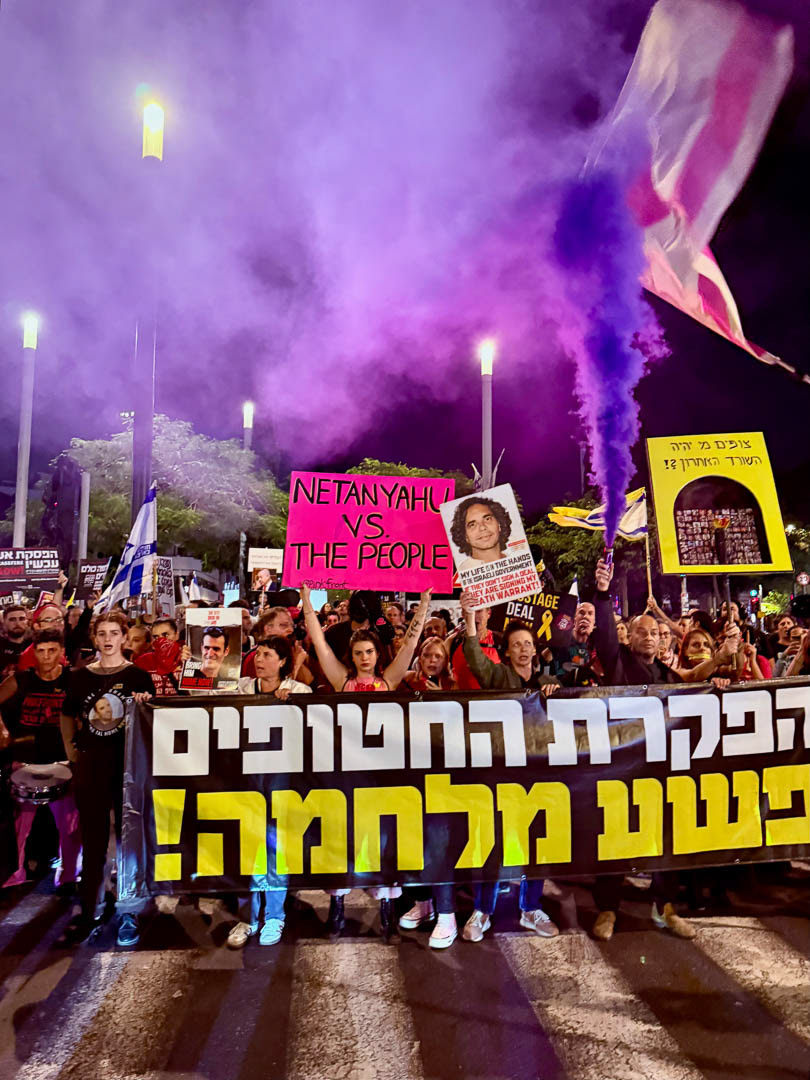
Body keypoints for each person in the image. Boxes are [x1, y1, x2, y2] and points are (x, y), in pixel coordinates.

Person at [425, 592, 561, 949]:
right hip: (499, 779)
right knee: (492, 844)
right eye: (516, 644)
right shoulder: (499, 676)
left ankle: (531, 908)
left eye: (527, 644)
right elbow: (474, 657)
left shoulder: (548, 682)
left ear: (535, 649)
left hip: (537, 780)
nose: (522, 649)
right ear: (507, 651)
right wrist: (470, 616)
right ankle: (482, 911)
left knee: (536, 846)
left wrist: (556, 691)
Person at [301, 584, 432, 940]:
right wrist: (307, 602)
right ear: (352, 655)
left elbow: (410, 645)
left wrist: (423, 603)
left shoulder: (387, 682)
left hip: (380, 775)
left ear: (377, 654)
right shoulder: (341, 682)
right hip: (345, 775)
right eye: (358, 652)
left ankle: (387, 904)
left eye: (369, 652)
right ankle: (338, 904)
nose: (364, 657)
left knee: (383, 839)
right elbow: (319, 642)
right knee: (340, 839)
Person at [590, 557, 694, 942]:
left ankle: (665, 907)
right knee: (616, 838)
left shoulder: (669, 677)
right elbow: (604, 634)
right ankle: (607, 908)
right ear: (629, 638)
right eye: (641, 632)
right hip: (620, 770)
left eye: (655, 633)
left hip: (660, 772)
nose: (649, 637)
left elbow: (697, 696)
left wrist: (719, 680)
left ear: (662, 640)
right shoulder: (617, 663)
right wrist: (603, 593)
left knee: (666, 838)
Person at [60, 610, 155, 946]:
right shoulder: (80, 677)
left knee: (130, 842)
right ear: (94, 638)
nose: (108, 639)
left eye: (115, 632)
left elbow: (152, 719)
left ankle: (129, 912)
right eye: (102, 633)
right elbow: (67, 715)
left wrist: (145, 703)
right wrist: (72, 753)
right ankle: (90, 910)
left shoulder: (139, 676)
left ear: (124, 637)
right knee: (94, 841)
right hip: (92, 766)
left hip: (128, 768)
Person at [226, 636, 313, 949]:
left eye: (267, 655)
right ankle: (248, 917)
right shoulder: (241, 687)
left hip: (280, 780)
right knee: (247, 848)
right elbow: (204, 699)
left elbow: (312, 721)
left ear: (282, 661)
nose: (259, 660)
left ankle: (274, 916)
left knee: (276, 847)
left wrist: (293, 703)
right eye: (258, 654)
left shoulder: (298, 691)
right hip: (246, 780)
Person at [0, 629, 81, 891]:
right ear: (33, 652)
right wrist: (1, 727)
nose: (46, 656)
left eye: (52, 650)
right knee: (19, 826)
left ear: (62, 653)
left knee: (69, 824)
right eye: (41, 650)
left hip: (63, 760)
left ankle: (68, 875)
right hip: (26, 761)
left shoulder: (74, 679)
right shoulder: (21, 679)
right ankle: (15, 872)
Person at [241, 607, 313, 685]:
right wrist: (296, 664)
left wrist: (297, 659)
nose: (291, 630)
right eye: (284, 625)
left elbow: (308, 682)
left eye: (292, 626)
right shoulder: (257, 657)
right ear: (268, 629)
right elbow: (271, 689)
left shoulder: (289, 652)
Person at [446, 605, 501, 690]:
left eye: (478, 611)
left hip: (492, 698)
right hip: (461, 697)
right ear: (463, 614)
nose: (474, 616)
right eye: (470, 611)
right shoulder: (452, 641)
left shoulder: (500, 641)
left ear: (488, 613)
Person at [450, 497, 512, 570]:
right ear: (465, 536)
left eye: (487, 519)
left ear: (499, 524)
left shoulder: (516, 561)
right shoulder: (461, 573)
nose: (482, 527)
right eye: (472, 525)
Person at [134, 618, 184, 696]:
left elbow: (195, 694)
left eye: (166, 635)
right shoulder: (142, 661)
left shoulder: (187, 659)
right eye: (156, 637)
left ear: (176, 635)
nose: (161, 640)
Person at [0, 605, 32, 678]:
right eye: (12, 619)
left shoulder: (35, 644)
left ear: (27, 621)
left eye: (22, 619)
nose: (17, 623)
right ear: (4, 622)